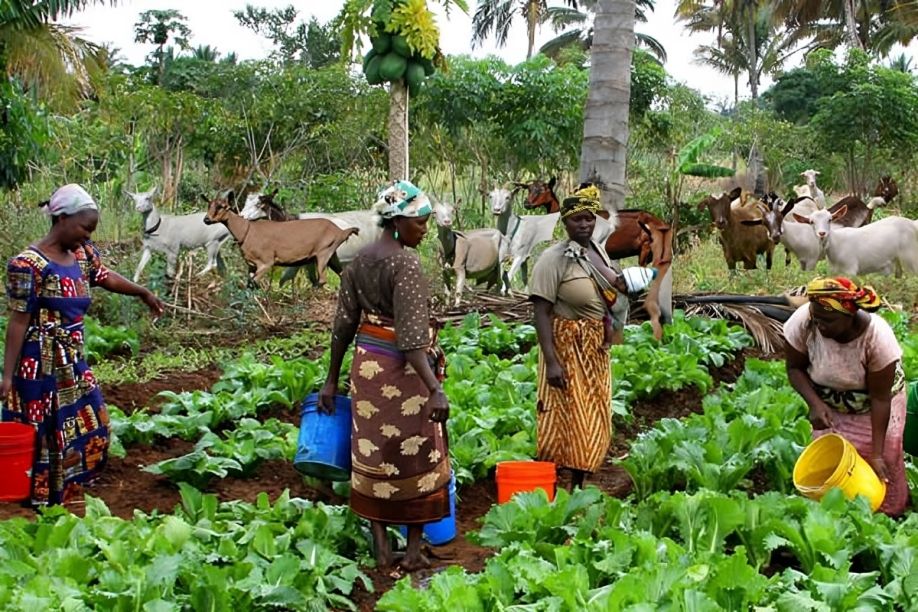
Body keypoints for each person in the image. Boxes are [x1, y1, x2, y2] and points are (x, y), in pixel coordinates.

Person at [0, 184, 164, 507]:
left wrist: (142, 292)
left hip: (73, 359)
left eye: (91, 230)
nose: (87, 237)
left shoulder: (81, 254)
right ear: (61, 218)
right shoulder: (27, 264)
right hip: (39, 363)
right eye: (84, 228)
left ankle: (69, 487)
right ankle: (39, 499)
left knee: (92, 422)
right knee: (46, 430)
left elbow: (104, 276)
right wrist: (6, 377)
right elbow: (18, 322)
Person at [319, 180, 449, 571]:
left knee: (374, 453)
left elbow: (343, 326)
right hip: (403, 372)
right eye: (420, 222)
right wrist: (434, 389)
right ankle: (411, 554)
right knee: (416, 454)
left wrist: (331, 380)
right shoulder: (405, 263)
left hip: (367, 369)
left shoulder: (358, 261)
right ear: (397, 222)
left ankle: (380, 549)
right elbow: (411, 340)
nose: (425, 229)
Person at [528, 184, 629, 490]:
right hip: (566, 347)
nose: (584, 225)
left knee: (595, 413)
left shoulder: (597, 250)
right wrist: (551, 361)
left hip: (594, 348)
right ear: (565, 223)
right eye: (577, 220)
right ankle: (564, 483)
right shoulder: (553, 259)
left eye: (588, 219)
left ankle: (581, 480)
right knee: (570, 416)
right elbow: (541, 313)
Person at [785, 276, 908, 516]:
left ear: (849, 315)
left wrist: (876, 452)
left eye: (827, 321)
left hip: (876, 405)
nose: (819, 326)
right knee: (833, 460)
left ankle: (888, 517)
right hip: (830, 404)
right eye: (815, 317)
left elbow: (880, 399)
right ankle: (836, 516)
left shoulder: (877, 338)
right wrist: (815, 404)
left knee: (883, 462)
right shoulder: (804, 322)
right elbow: (794, 368)